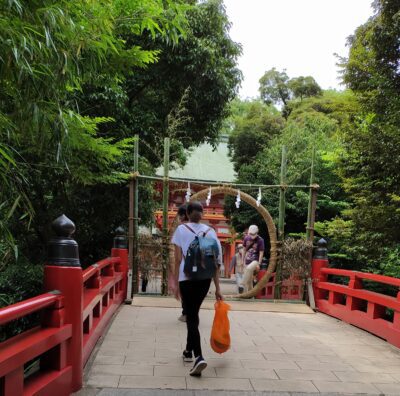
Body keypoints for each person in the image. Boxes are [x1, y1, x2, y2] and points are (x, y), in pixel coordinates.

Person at [171, 201, 223, 377]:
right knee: (194, 313)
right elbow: (216, 262)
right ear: (202, 213)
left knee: (191, 316)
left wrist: (175, 282)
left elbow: (177, 259)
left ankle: (199, 357)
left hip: (187, 278)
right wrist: (218, 288)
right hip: (205, 279)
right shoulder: (211, 232)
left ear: (187, 213)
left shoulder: (181, 230)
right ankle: (188, 350)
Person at [177, 204, 188, 323]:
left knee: (184, 290)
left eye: (180, 215)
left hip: (185, 265)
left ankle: (185, 313)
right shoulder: (202, 228)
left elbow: (178, 253)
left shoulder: (180, 229)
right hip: (199, 266)